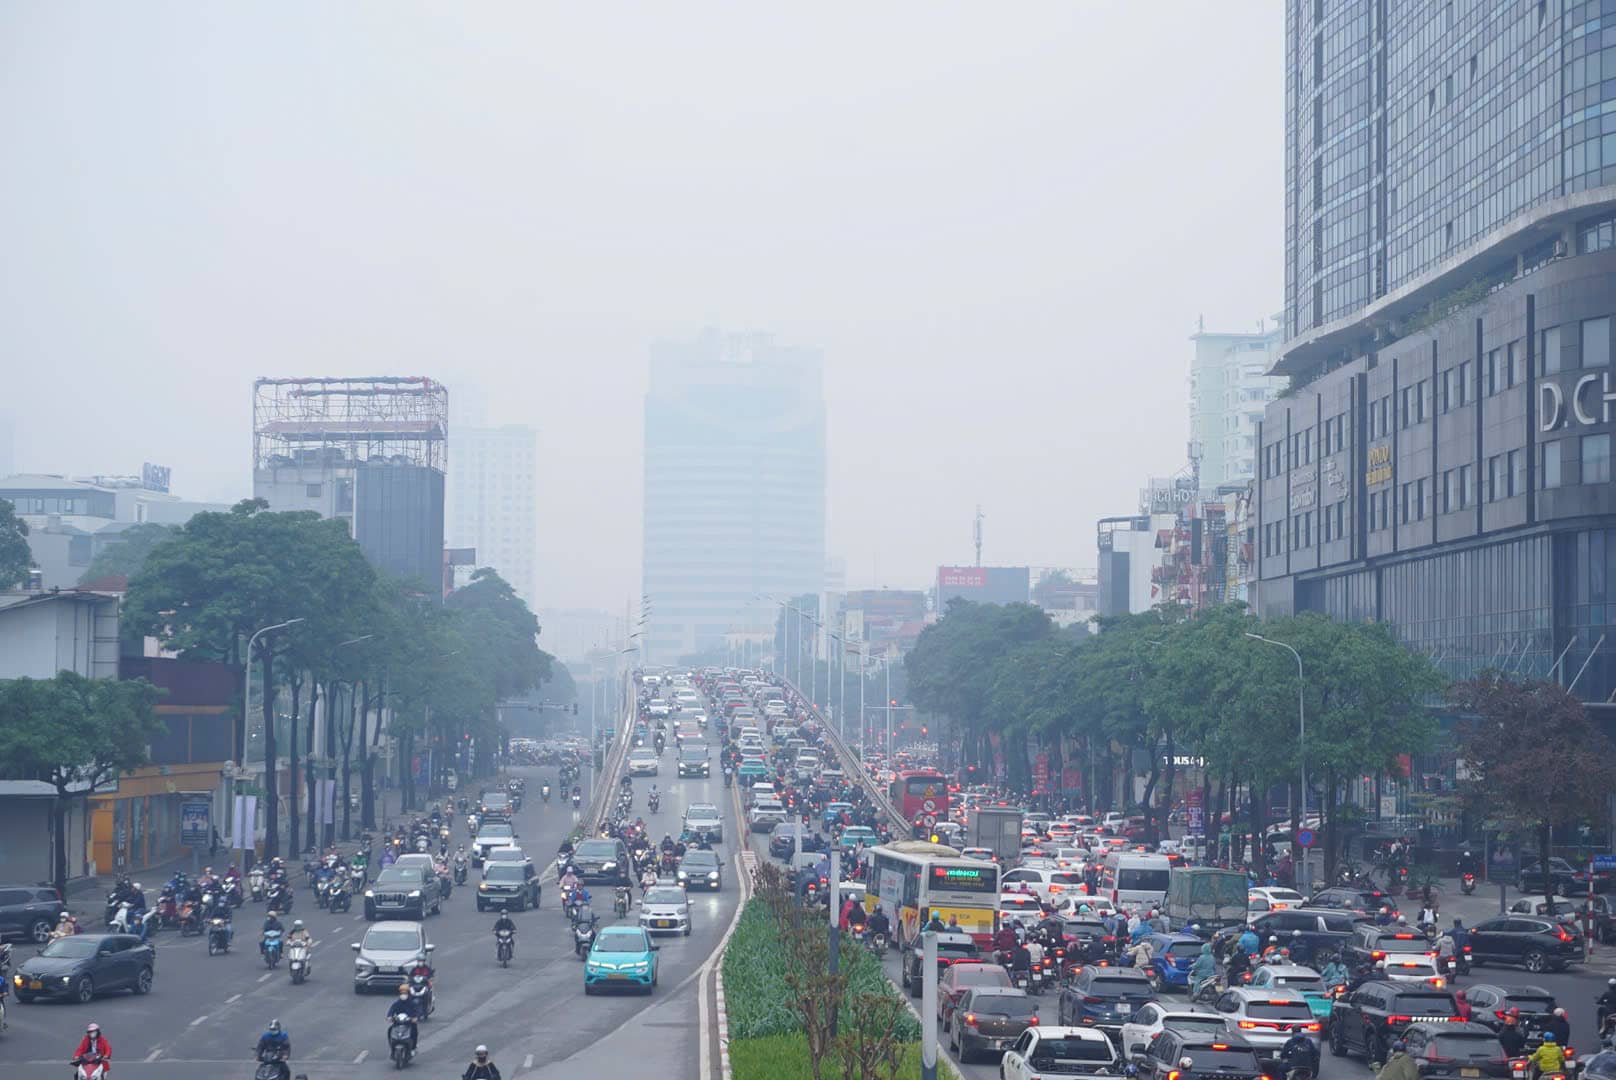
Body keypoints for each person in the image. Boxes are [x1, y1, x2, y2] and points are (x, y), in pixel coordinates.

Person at [386, 985, 419, 1052]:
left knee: (414, 1031)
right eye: (402, 993)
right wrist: (389, 1017)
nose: (403, 995)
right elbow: (392, 1010)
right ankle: (392, 1046)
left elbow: (417, 1011)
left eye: (405, 993)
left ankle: (413, 1047)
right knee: (390, 1030)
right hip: (398, 1022)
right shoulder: (397, 1003)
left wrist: (415, 1018)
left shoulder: (412, 1003)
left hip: (409, 1022)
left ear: (408, 994)